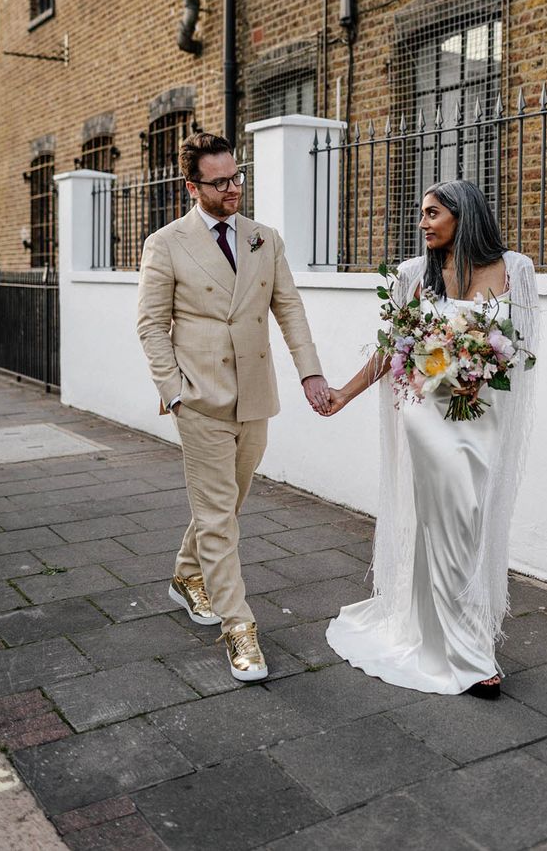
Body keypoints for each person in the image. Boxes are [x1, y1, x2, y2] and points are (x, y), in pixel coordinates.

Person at [323, 180, 539, 697]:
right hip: (426, 414)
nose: (422, 222)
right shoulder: (415, 276)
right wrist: (343, 395)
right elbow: (392, 348)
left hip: (479, 416)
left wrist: (477, 369)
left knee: (465, 519)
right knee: (454, 519)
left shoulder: (515, 270)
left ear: (464, 216)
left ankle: (439, 631)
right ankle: (470, 659)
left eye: (432, 213)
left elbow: (522, 350)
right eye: (421, 213)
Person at [137, 131, 330, 682]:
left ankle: (186, 576)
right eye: (219, 181)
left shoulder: (264, 239)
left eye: (237, 176)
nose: (233, 188)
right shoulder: (166, 243)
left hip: (255, 393)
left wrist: (310, 371)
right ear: (192, 186)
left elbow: (288, 308)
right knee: (220, 515)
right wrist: (172, 390)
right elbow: (152, 324)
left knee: (228, 501)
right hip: (198, 397)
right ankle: (238, 627)